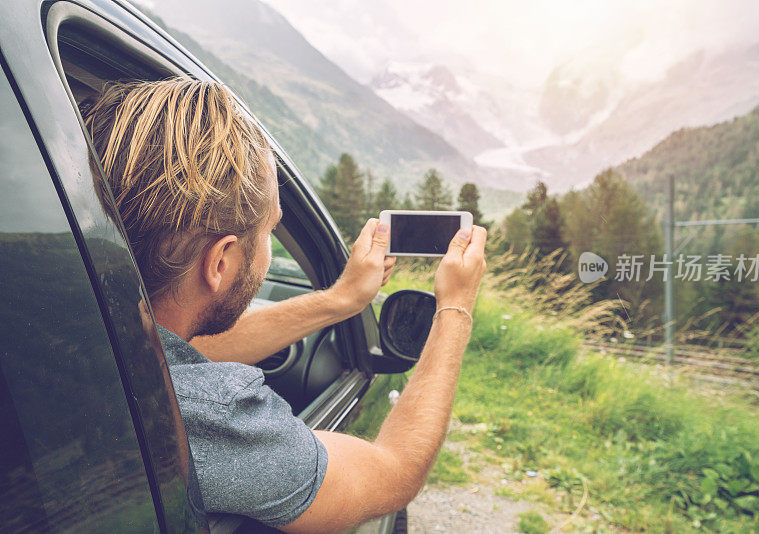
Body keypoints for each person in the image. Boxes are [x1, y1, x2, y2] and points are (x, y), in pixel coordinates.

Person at [82, 76, 486, 532]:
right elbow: (393, 470)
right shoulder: (210, 412)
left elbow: (179, 352)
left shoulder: (73, 334)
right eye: (270, 230)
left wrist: (340, 300)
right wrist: (456, 307)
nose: (270, 244)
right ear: (220, 262)